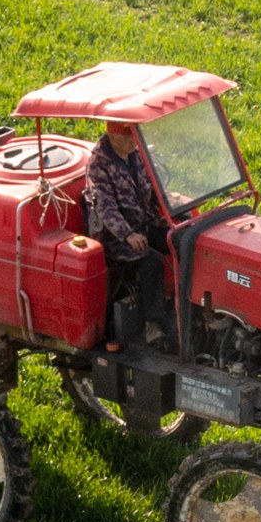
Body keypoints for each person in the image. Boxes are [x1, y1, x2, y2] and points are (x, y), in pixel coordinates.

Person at [82, 116, 175, 351]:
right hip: (117, 238)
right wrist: (127, 235)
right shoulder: (98, 166)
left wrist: (169, 207)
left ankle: (185, 303)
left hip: (145, 222)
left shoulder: (135, 154)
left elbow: (152, 185)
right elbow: (105, 207)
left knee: (178, 239)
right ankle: (153, 324)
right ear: (114, 137)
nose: (135, 142)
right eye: (130, 138)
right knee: (150, 262)